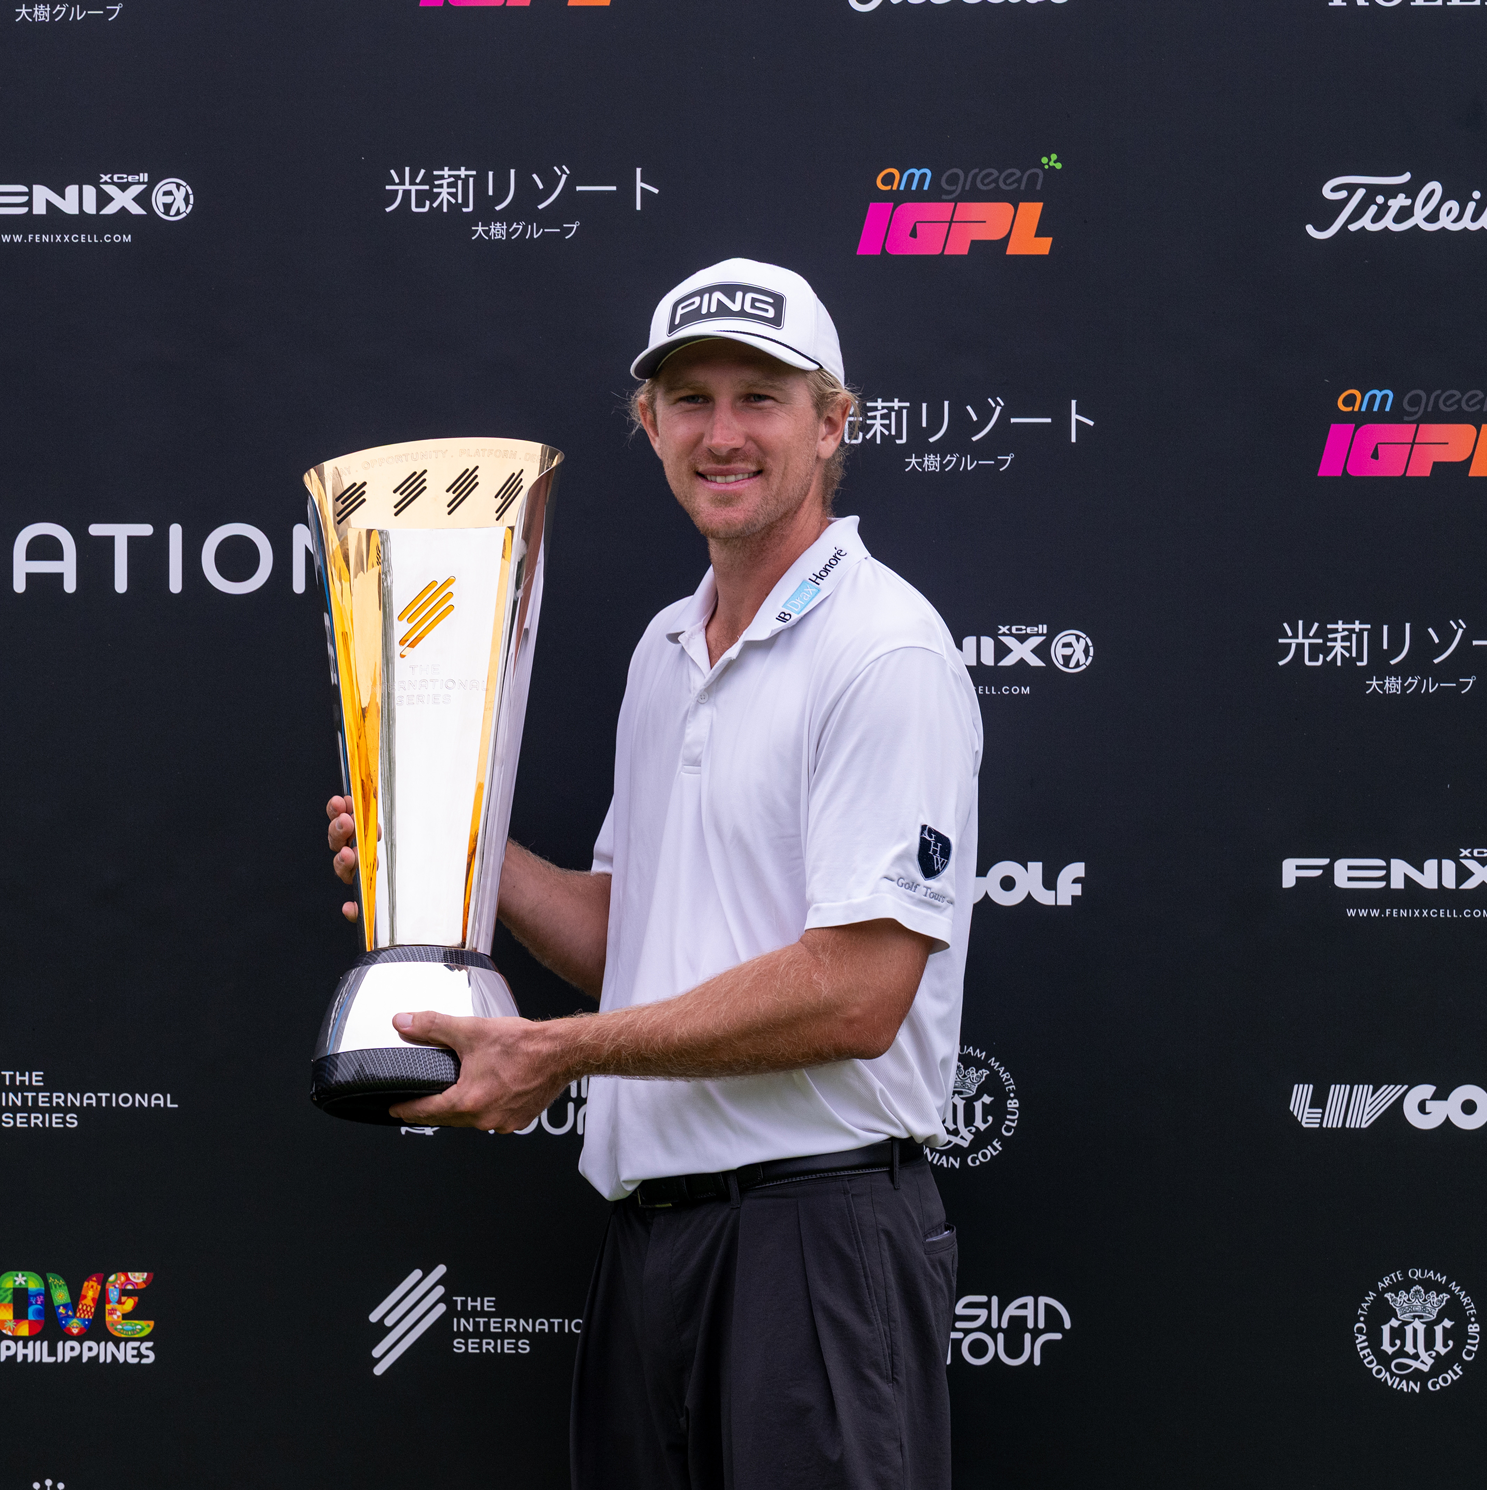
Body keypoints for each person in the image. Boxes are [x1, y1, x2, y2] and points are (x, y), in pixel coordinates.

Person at [325, 258, 981, 1489]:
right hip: (653, 1243)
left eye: (761, 398)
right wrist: (457, 857)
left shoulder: (884, 649)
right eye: (689, 399)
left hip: (816, 1240)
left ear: (834, 422)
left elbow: (857, 991)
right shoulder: (665, 647)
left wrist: (561, 1052)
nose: (721, 434)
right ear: (649, 424)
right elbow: (632, 933)